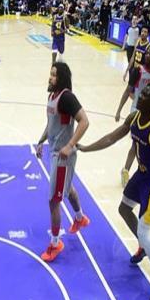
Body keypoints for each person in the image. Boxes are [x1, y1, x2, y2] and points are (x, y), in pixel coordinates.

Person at [78, 83, 150, 300]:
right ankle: (143, 246)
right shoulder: (134, 118)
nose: (140, 96)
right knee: (124, 209)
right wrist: (86, 148)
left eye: (146, 95)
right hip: (140, 176)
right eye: (141, 93)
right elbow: (111, 138)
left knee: (145, 231)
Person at [36, 62, 90, 262]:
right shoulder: (52, 96)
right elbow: (50, 124)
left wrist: (70, 145)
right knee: (67, 188)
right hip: (55, 153)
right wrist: (41, 140)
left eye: (53, 75)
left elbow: (84, 121)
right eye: (50, 74)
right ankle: (80, 218)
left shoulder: (67, 97)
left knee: (53, 200)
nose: (50, 78)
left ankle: (55, 243)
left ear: (61, 78)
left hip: (63, 156)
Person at [116, 46, 150, 186]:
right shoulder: (138, 70)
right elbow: (128, 91)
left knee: (146, 146)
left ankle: (138, 170)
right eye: (146, 52)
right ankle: (126, 170)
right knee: (136, 143)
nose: (147, 55)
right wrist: (119, 110)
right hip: (136, 110)